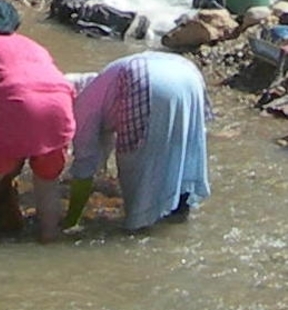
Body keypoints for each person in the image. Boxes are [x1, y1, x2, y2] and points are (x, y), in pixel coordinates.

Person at [0, 0, 76, 245]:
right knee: (47, 183)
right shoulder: (34, 46)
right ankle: (49, 237)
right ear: (15, 26)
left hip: (15, 101)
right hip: (61, 105)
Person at [62, 51, 213, 232]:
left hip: (144, 79)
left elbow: (85, 164)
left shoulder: (82, 105)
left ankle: (141, 224)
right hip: (187, 72)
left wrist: (71, 220)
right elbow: (103, 142)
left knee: (135, 162)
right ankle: (178, 214)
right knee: (180, 148)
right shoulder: (100, 84)